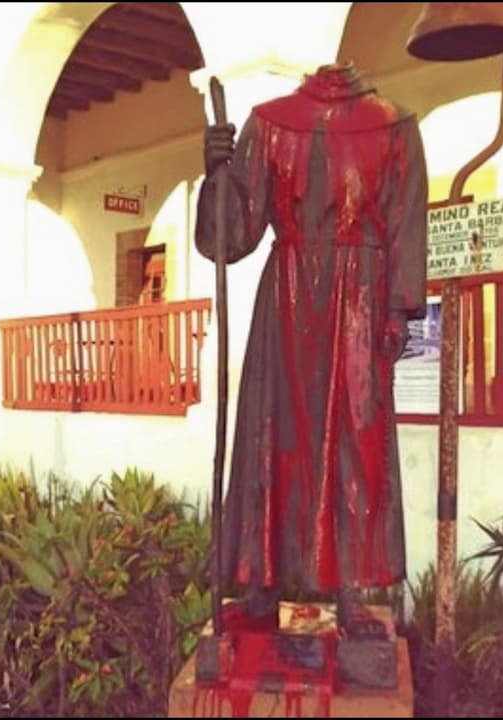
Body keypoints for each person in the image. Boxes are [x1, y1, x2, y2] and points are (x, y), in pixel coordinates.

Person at [196, 63, 427, 637]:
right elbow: (233, 237)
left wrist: (398, 308)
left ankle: (351, 590)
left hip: (358, 302)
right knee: (271, 433)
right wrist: (215, 175)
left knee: (357, 442)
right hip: (291, 296)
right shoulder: (268, 124)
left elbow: (405, 222)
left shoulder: (396, 125)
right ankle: (259, 581)